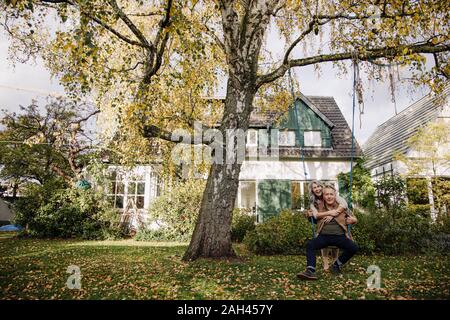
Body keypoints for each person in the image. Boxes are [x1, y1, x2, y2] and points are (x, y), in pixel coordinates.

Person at [298, 183, 358, 280]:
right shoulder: (319, 207)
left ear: (335, 195)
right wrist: (307, 215)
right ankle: (310, 270)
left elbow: (354, 218)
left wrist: (353, 220)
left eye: (331, 194)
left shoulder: (342, 207)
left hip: (340, 236)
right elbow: (312, 218)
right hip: (324, 236)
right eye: (326, 195)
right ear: (323, 196)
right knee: (310, 245)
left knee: (354, 248)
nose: (329, 197)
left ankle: (336, 264)